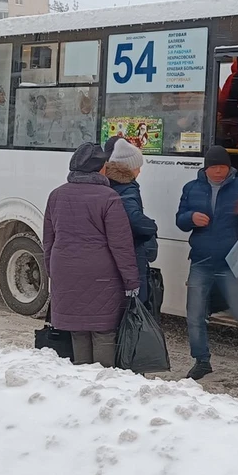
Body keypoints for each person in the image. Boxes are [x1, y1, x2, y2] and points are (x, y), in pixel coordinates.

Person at [42, 142, 140, 367]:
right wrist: (131, 281)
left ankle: (82, 383)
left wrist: (52, 270)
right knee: (103, 331)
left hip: (65, 271)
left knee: (77, 330)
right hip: (100, 275)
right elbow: (121, 245)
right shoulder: (109, 197)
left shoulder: (56, 195)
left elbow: (49, 240)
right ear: (100, 169)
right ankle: (102, 382)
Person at [175, 145, 238, 380]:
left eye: (223, 167)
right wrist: (190, 218)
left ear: (229, 167)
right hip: (201, 259)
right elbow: (180, 219)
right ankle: (201, 361)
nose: (219, 172)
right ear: (206, 168)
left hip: (230, 260)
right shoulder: (191, 188)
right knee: (194, 314)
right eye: (214, 167)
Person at [103, 136, 158, 310]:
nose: (139, 172)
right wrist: (151, 226)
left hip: (113, 252)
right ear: (128, 168)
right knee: (135, 309)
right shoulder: (127, 186)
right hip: (132, 253)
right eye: (138, 167)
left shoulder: (107, 182)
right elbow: (133, 219)